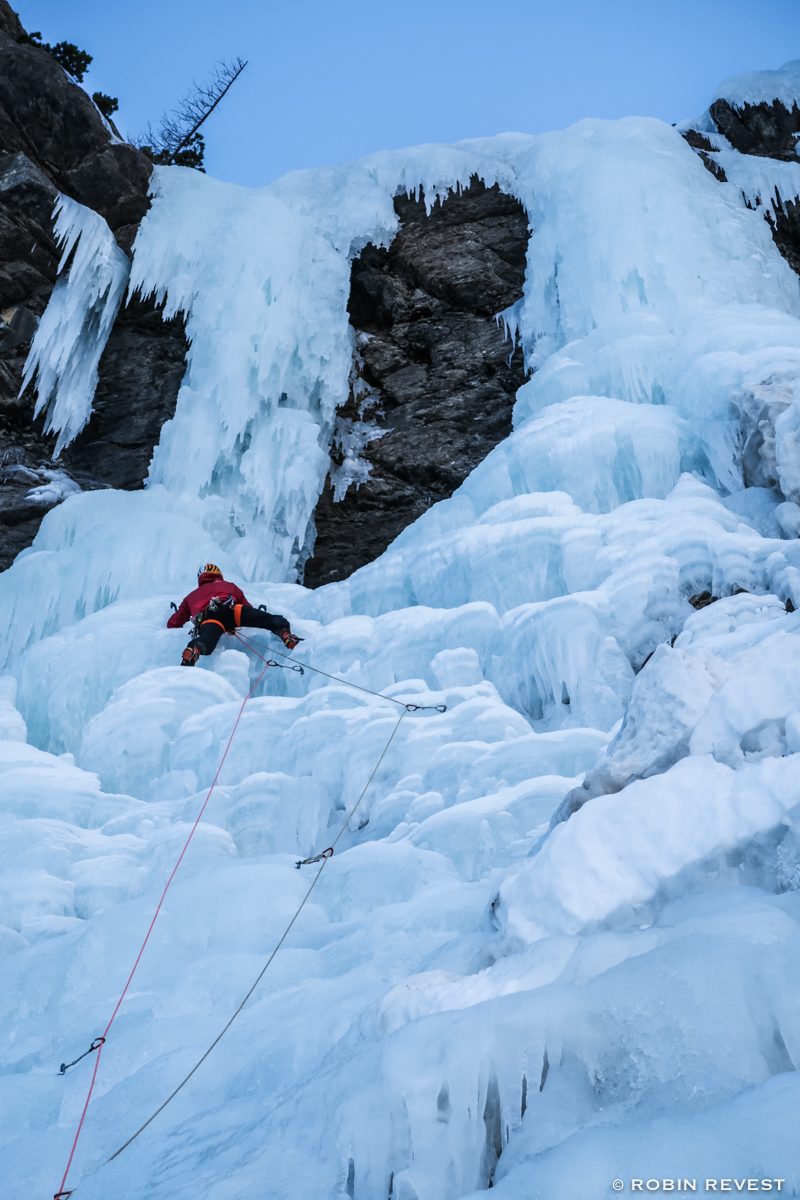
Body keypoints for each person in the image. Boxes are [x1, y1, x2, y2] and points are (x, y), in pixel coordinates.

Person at [168, 563, 302, 666]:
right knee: (269, 620)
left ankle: (194, 649)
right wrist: (235, 622)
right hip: (231, 609)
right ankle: (286, 634)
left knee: (206, 641)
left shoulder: (190, 597)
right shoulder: (229, 585)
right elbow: (246, 607)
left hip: (208, 618)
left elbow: (174, 622)